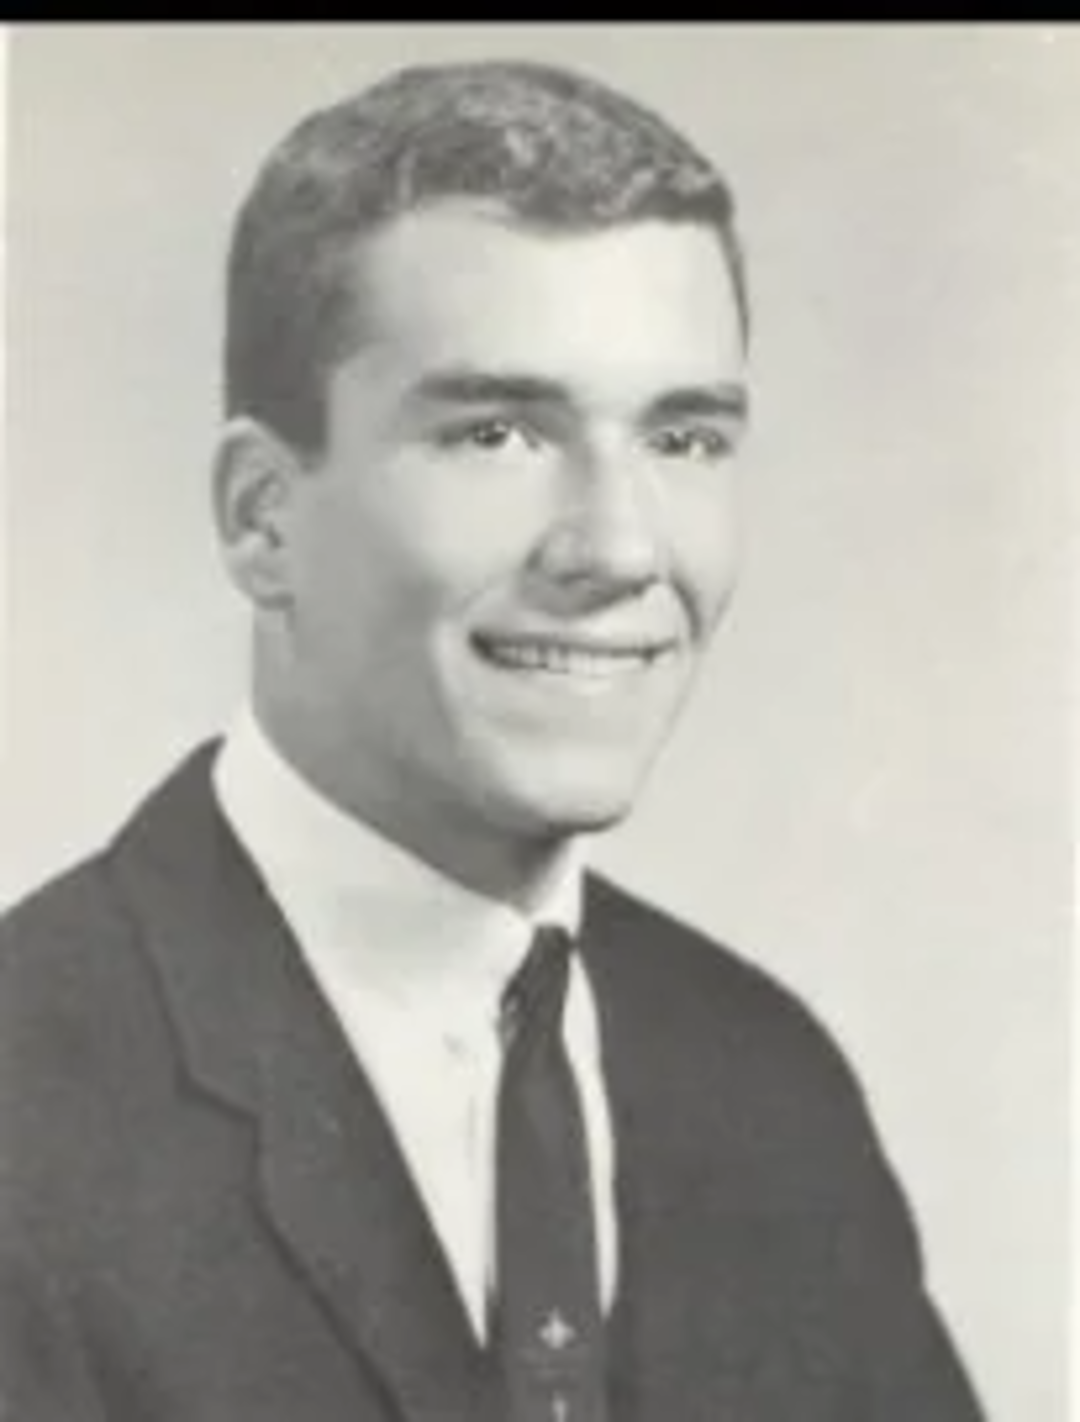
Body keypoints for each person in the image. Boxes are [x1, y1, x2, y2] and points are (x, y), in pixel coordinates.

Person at [0, 59, 985, 1422]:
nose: (621, 547)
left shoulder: (766, 1082)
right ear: (260, 519)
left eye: (684, 437)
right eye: (499, 431)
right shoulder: (23, 1104)